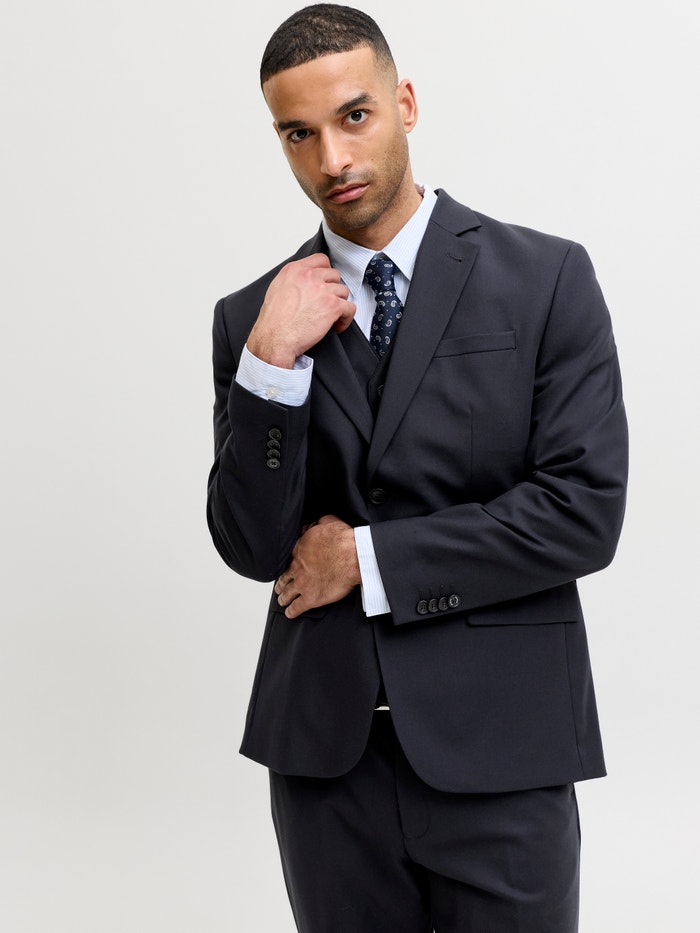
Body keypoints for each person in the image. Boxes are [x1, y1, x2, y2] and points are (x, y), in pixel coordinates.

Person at [206, 4, 628, 931]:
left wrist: (367, 560)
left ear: (403, 103)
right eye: (299, 134)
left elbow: (582, 511)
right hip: (327, 763)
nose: (332, 159)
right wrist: (269, 366)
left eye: (354, 116)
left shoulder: (546, 278)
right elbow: (251, 545)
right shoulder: (252, 318)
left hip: (504, 748)